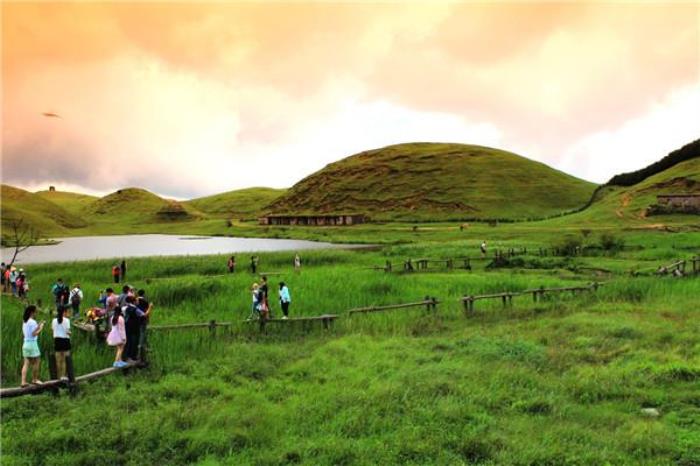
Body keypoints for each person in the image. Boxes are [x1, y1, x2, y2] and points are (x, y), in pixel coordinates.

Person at [21, 305, 45, 386]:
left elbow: (31, 330)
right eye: (35, 312)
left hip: (25, 344)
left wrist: (38, 325)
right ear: (32, 312)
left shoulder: (25, 321)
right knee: (36, 362)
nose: (36, 314)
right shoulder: (33, 322)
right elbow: (34, 333)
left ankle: (23, 381)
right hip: (32, 344)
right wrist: (41, 328)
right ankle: (34, 379)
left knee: (26, 363)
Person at [123, 295, 146, 362]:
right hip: (135, 327)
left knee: (128, 342)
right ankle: (132, 357)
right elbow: (144, 315)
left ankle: (126, 357)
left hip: (127, 327)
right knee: (134, 342)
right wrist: (150, 307)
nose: (137, 301)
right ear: (133, 302)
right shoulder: (135, 309)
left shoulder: (124, 308)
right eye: (136, 300)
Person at [51, 306, 71, 379]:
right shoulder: (67, 320)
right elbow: (68, 331)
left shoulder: (54, 320)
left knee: (58, 360)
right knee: (65, 360)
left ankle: (58, 376)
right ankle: (63, 376)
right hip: (65, 341)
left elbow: (53, 330)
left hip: (57, 340)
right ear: (64, 312)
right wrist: (70, 333)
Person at [136, 289, 154, 357]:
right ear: (143, 294)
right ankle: (141, 345)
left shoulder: (135, 300)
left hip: (137, 318)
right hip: (143, 318)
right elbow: (147, 310)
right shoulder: (145, 301)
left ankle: (143, 344)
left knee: (140, 331)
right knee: (143, 331)